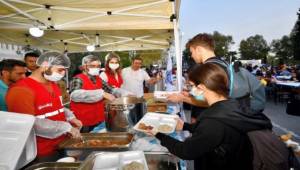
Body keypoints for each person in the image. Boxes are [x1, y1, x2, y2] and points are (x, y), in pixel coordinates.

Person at [145, 63, 272, 170]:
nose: (190, 90)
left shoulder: (213, 120)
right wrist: (185, 126)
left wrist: (158, 134)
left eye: (192, 86)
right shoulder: (234, 105)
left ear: (200, 88)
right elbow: (216, 134)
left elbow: (186, 151)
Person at [6, 52, 82, 162]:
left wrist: (70, 117)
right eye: (60, 70)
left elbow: (56, 107)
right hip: (40, 151)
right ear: (45, 66)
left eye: (65, 70)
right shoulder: (21, 90)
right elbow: (29, 123)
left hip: (61, 144)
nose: (63, 73)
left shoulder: (53, 84)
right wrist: (65, 127)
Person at [167, 33, 266, 114]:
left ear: (198, 49)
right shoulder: (224, 64)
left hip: (225, 118)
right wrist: (190, 94)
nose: (192, 56)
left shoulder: (209, 69)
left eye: (192, 52)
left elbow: (209, 101)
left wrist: (182, 98)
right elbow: (207, 95)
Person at [70, 55, 115, 132]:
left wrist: (123, 93)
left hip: (98, 119)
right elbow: (75, 95)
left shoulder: (98, 78)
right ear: (84, 66)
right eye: (93, 66)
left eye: (98, 66)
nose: (96, 68)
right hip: (83, 122)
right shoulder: (78, 79)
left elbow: (111, 89)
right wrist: (101, 93)